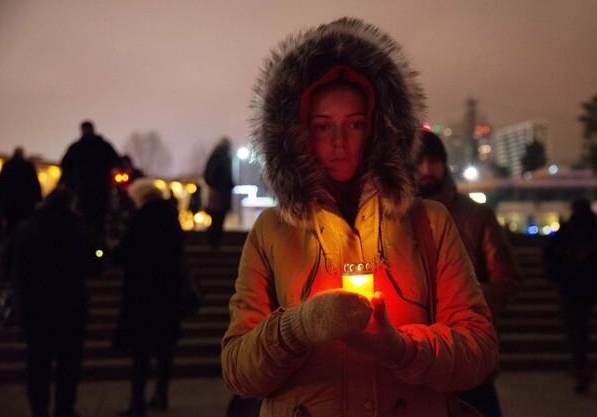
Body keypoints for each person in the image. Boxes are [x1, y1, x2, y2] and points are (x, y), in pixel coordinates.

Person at [220, 17, 498, 416]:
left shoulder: (430, 224)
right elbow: (237, 371)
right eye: (322, 126)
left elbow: (479, 349)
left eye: (354, 124)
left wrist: (399, 348)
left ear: (380, 129)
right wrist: (295, 329)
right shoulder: (271, 232)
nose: (338, 142)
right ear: (296, 134)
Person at [416, 130, 522, 417]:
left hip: (467, 350)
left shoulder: (476, 215)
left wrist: (463, 304)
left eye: (434, 161)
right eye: (419, 161)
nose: (427, 169)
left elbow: (506, 278)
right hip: (416, 352)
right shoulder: (396, 217)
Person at [3, 186, 95, 417]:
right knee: (69, 362)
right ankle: (64, 407)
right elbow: (94, 265)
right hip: (70, 305)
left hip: (35, 306)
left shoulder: (26, 228)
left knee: (37, 362)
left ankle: (39, 407)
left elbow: (7, 262)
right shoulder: (77, 228)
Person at [112, 178, 184, 416]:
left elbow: (124, 253)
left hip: (143, 294)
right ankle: (161, 394)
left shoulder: (141, 219)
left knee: (141, 353)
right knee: (165, 350)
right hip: (168, 293)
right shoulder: (171, 219)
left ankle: (137, 401)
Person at [543, 198, 597, 394]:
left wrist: (555, 276)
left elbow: (549, 254)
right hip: (590, 285)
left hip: (570, 286)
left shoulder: (568, 229)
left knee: (575, 326)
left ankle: (580, 363)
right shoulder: (593, 228)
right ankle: (581, 363)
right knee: (582, 325)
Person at [59, 120, 120, 241]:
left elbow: (65, 164)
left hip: (83, 189)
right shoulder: (103, 145)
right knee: (100, 218)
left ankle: (86, 241)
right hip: (100, 188)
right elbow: (116, 161)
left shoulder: (76, 147)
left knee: (84, 218)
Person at [0, 146, 42, 234]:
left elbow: (0, 183)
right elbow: (35, 185)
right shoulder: (28, 167)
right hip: (24, 203)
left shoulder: (7, 166)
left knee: (10, 223)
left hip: (9, 201)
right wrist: (37, 200)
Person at [203, 137, 234, 249]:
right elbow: (228, 175)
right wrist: (230, 185)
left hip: (214, 192)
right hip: (222, 192)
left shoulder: (213, 157)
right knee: (220, 218)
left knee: (215, 217)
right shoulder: (225, 158)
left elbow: (207, 175)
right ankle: (216, 241)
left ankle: (212, 241)